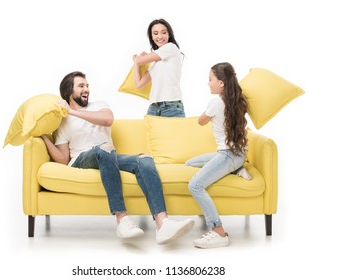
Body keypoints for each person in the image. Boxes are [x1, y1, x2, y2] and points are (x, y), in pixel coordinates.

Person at [41, 71, 194, 245]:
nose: (86, 89)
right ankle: (122, 220)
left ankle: (162, 224)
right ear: (69, 91)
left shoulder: (99, 105)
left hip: (108, 155)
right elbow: (62, 159)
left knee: (144, 159)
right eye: (81, 86)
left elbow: (107, 119)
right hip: (82, 160)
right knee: (104, 149)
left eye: (87, 86)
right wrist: (45, 138)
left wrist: (73, 112)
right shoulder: (62, 122)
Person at [185, 62, 252, 249]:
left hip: (227, 155)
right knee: (190, 163)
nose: (208, 83)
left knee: (195, 185)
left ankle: (218, 232)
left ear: (221, 83)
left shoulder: (215, 102)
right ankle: (237, 169)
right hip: (237, 154)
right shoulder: (239, 100)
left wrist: (207, 115)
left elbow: (200, 121)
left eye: (210, 79)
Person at [132, 18, 185, 117]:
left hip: (171, 106)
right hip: (153, 107)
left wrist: (137, 59)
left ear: (169, 34)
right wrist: (136, 63)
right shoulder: (154, 62)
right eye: (155, 33)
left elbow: (139, 60)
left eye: (163, 32)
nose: (160, 36)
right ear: (151, 37)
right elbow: (138, 84)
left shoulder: (171, 47)